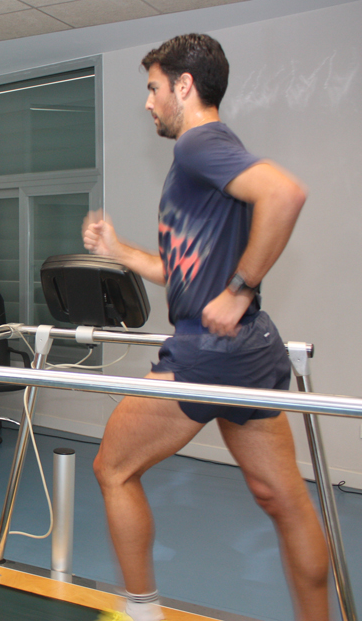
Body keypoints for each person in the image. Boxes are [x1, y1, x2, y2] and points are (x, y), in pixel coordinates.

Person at [82, 34, 328, 621]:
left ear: (183, 87)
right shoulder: (213, 153)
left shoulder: (199, 145)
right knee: (282, 498)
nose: (148, 103)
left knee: (112, 468)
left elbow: (286, 194)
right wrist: (119, 250)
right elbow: (181, 272)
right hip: (251, 350)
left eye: (153, 88)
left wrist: (239, 290)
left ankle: (142, 613)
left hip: (207, 353)